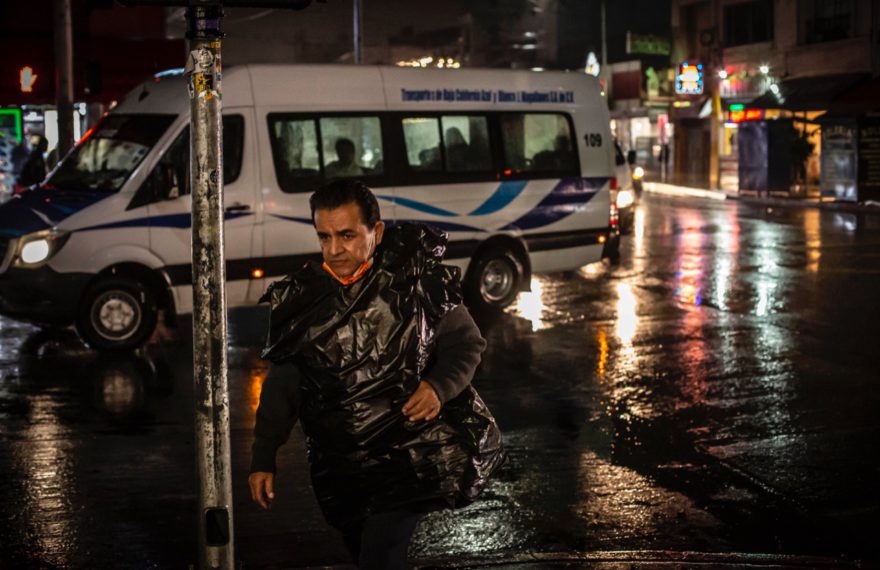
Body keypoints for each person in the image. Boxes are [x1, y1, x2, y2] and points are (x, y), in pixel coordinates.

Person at [249, 179, 504, 570]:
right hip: (343, 469)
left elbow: (467, 345)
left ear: (377, 232)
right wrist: (263, 457)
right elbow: (284, 386)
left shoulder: (416, 285)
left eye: (347, 235)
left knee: (379, 558)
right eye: (325, 237)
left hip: (407, 460)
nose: (335, 250)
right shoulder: (304, 303)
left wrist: (437, 388)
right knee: (365, 552)